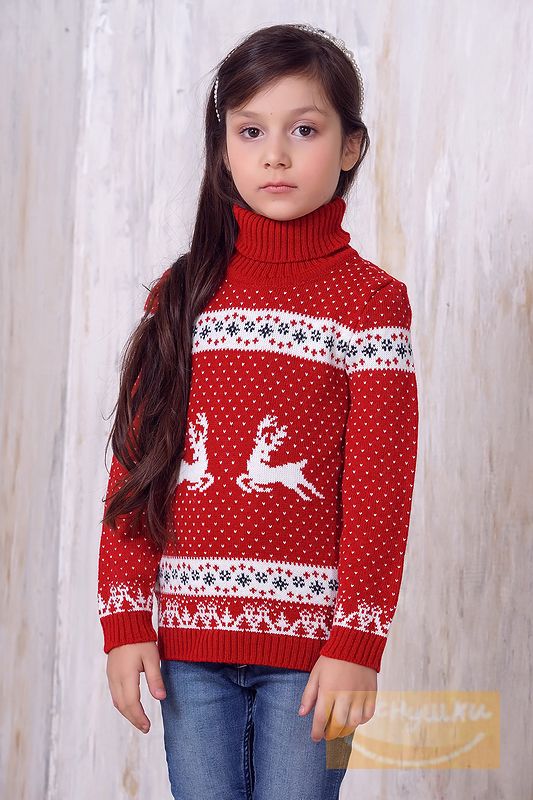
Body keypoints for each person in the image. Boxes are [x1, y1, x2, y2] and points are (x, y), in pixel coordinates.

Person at [97, 22, 419, 800]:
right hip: (187, 650)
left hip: (312, 657)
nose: (274, 154)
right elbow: (137, 464)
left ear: (349, 146)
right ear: (223, 149)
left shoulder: (370, 303)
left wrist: (357, 639)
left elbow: (379, 485)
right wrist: (126, 618)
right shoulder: (182, 294)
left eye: (303, 130)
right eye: (250, 131)